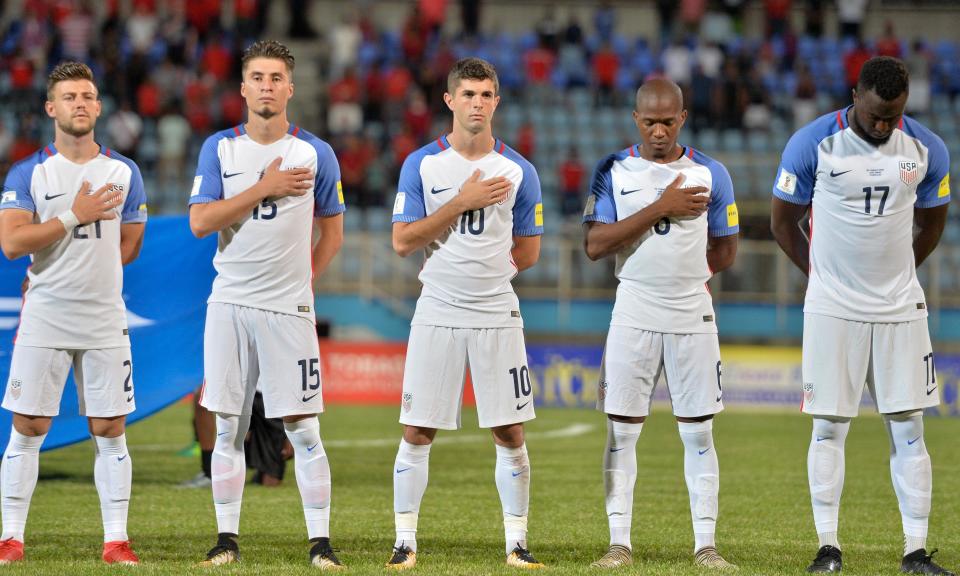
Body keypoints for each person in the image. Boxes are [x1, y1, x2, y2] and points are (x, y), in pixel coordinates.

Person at [770, 56, 953, 575]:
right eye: (875, 114)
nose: (883, 125)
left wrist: (899, 274)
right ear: (855, 95)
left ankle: (915, 551)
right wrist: (822, 276)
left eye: (893, 116)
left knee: (910, 428)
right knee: (829, 427)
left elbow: (933, 222)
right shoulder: (812, 144)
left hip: (900, 308)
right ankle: (829, 548)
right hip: (833, 308)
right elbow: (782, 222)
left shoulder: (926, 149)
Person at [187, 40, 345, 569]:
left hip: (288, 311)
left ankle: (320, 542)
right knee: (228, 425)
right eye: (257, 77)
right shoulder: (220, 149)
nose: (267, 87)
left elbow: (332, 234)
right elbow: (201, 222)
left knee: (303, 427)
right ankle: (226, 538)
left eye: (276, 78)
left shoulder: (316, 152)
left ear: (291, 88)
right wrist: (265, 186)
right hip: (229, 304)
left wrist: (303, 282)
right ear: (243, 87)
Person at [387, 57, 544, 570]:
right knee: (417, 430)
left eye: (486, 95)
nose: (477, 103)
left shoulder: (520, 170)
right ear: (449, 101)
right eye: (468, 94)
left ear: (496, 101)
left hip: (497, 312)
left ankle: (517, 543)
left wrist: (488, 276)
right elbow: (403, 242)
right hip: (438, 309)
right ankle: (405, 541)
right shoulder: (423, 165)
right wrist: (462, 201)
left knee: (510, 432)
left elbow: (530, 250)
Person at [582, 78, 739, 570]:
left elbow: (725, 249)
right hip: (633, 313)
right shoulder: (613, 169)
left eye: (667, 122)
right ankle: (619, 544)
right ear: (635, 119)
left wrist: (683, 280)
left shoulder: (712, 173)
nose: (658, 131)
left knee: (698, 434)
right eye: (649, 121)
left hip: (692, 315)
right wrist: (661, 208)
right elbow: (595, 245)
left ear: (683, 118)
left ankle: (706, 547)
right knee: (622, 432)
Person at [0, 61, 147, 565]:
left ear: (98, 106)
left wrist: (89, 261)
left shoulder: (124, 172)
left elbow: (129, 245)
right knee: (29, 426)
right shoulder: (30, 172)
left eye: (87, 95)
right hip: (45, 315)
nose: (79, 103)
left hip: (105, 317)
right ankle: (11, 538)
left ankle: (115, 541)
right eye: (69, 96)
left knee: (110, 429)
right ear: (51, 108)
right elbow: (13, 242)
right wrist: (72, 217)